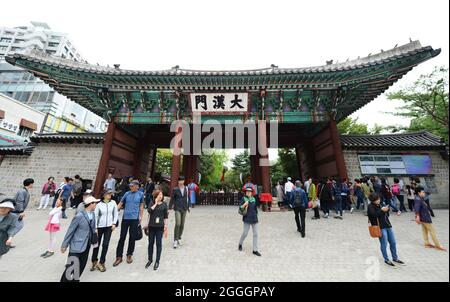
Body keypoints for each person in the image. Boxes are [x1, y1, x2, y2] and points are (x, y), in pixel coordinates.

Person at [60, 196, 100, 282]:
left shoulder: (93, 214)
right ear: (90, 204)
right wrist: (64, 245)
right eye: (95, 203)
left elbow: (93, 229)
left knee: (81, 267)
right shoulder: (79, 216)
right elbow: (70, 231)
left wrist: (94, 241)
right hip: (76, 246)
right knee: (70, 268)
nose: (96, 204)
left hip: (87, 246)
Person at [367, 192, 405, 268]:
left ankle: (395, 258)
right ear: (373, 200)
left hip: (388, 225)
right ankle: (386, 259)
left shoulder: (381, 204)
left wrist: (386, 210)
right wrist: (381, 210)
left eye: (379, 199)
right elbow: (373, 215)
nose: (378, 200)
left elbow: (387, 215)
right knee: (384, 243)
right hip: (380, 227)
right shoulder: (370, 206)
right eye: (376, 199)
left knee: (393, 242)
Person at [113, 180, 145, 266]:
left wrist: (141, 217)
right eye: (130, 186)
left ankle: (129, 254)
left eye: (132, 186)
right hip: (125, 218)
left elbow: (141, 206)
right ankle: (119, 256)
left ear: (137, 186)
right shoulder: (127, 194)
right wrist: (114, 211)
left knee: (132, 237)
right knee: (122, 237)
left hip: (135, 219)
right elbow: (120, 203)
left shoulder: (140, 194)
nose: (130, 187)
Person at [91, 190, 118, 272]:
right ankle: (94, 261)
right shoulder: (99, 204)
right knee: (97, 245)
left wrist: (114, 223)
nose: (110, 195)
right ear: (103, 195)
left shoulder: (113, 203)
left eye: (110, 193)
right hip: (99, 227)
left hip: (109, 227)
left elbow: (115, 213)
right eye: (108, 193)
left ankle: (102, 262)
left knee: (105, 245)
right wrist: (95, 228)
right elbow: (95, 216)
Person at [414, 186, 446, 251]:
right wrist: (417, 217)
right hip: (425, 218)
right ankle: (438, 245)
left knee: (425, 230)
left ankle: (427, 243)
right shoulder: (418, 199)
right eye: (423, 192)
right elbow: (416, 209)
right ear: (419, 193)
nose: (424, 193)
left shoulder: (420, 198)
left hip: (424, 217)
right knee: (432, 231)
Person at [145, 189, 168, 271]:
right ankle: (150, 259)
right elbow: (149, 211)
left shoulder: (164, 205)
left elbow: (165, 216)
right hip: (151, 227)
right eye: (159, 195)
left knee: (159, 244)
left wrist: (165, 225)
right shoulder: (151, 203)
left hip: (160, 227)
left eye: (161, 195)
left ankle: (157, 261)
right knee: (150, 243)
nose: (160, 196)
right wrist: (155, 203)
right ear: (155, 196)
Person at [238, 187, 261, 256]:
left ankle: (255, 250)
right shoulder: (243, 199)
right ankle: (240, 243)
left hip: (254, 218)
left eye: (250, 191)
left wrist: (257, 216)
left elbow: (255, 209)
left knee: (256, 234)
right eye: (247, 191)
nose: (248, 192)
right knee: (245, 233)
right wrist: (244, 204)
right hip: (247, 219)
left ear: (251, 192)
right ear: (245, 192)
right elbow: (240, 208)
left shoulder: (254, 199)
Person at [169, 176, 190, 249]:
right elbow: (172, 199)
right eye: (180, 181)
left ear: (184, 181)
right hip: (177, 208)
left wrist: (188, 206)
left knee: (182, 224)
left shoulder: (186, 188)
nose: (181, 182)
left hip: (184, 208)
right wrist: (169, 208)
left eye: (182, 180)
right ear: (178, 181)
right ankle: (175, 239)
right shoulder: (175, 189)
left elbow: (187, 198)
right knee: (178, 223)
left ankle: (179, 238)